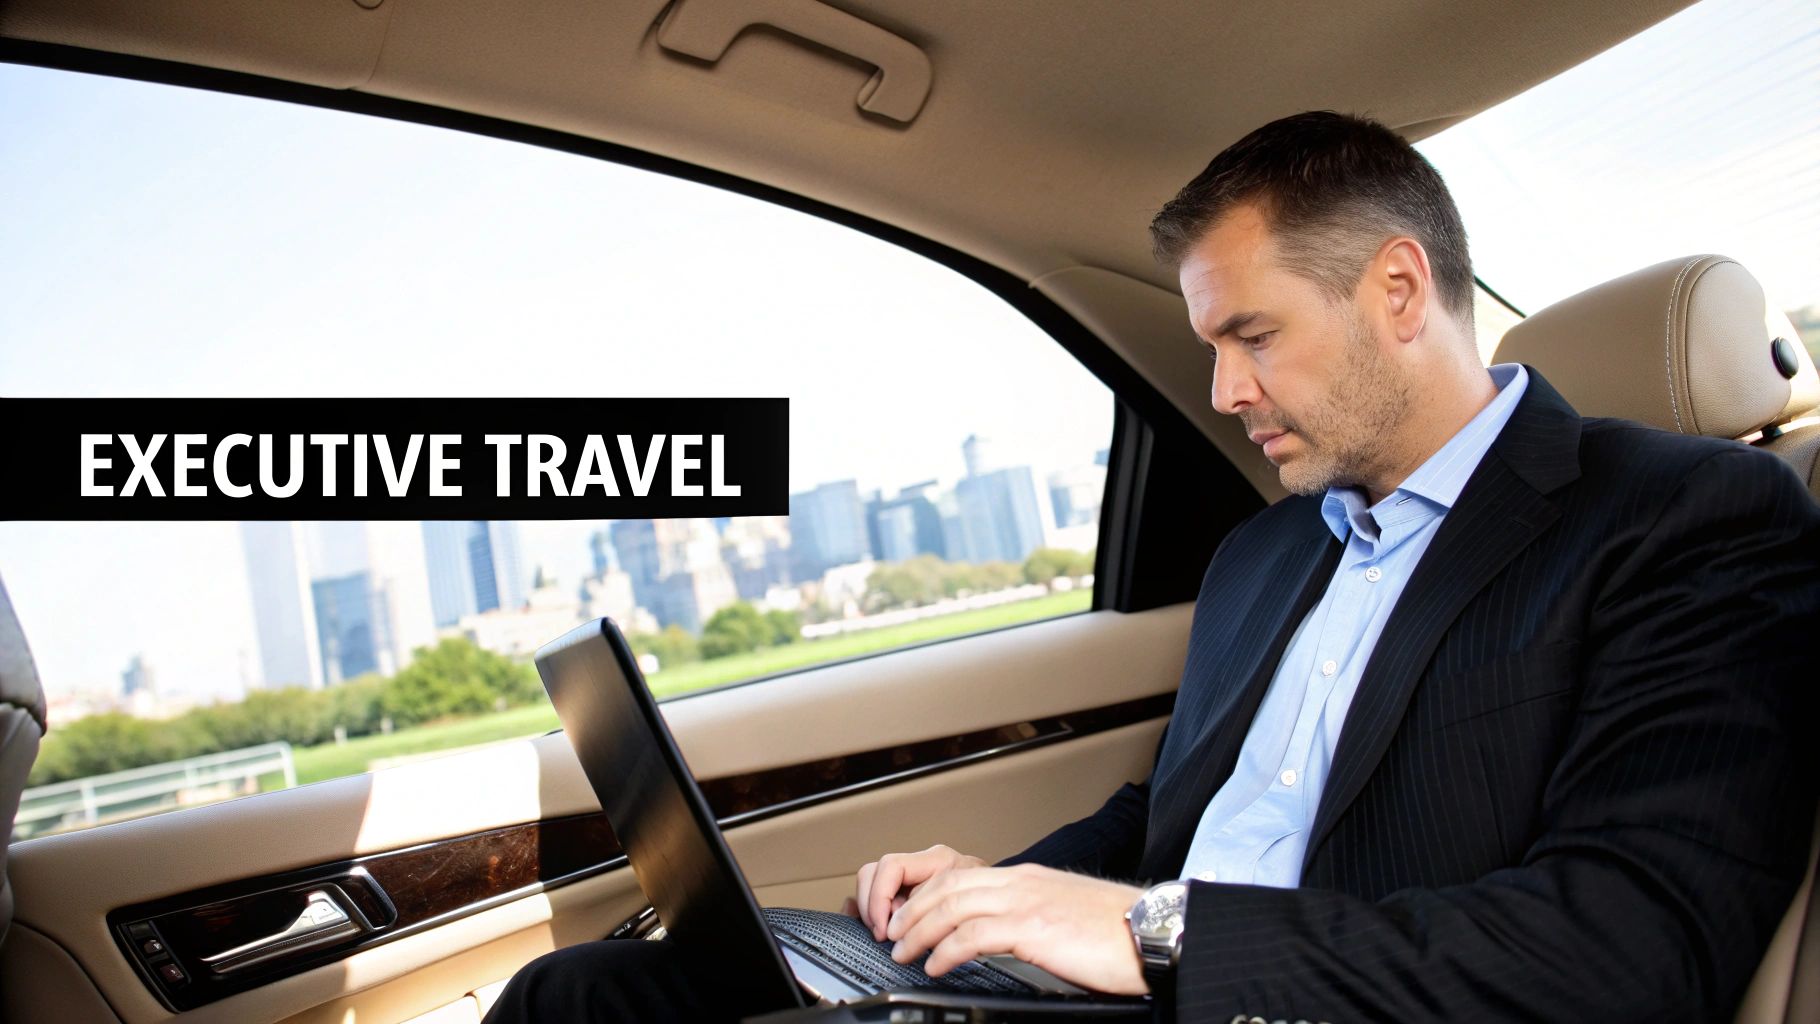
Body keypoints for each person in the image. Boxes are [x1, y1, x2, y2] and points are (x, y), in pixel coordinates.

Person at [483, 111, 1820, 1023]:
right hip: (1136, 983)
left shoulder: (1688, 522)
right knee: (587, 994)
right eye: (1207, 349)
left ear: (1399, 293)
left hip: (1296, 997)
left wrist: (1147, 936)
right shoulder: (1265, 551)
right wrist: (990, 888)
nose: (1227, 390)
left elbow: (1631, 945)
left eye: (1254, 336)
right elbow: (1165, 816)